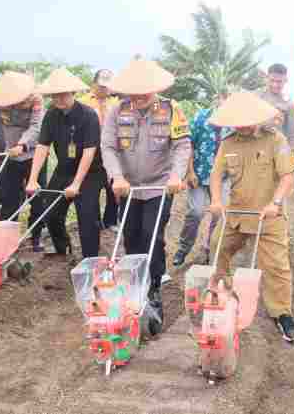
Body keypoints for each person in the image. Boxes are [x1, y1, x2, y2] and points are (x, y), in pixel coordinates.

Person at [101, 58, 191, 333]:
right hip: (128, 186)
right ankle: (133, 288)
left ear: (154, 88)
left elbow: (182, 145)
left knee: (152, 236)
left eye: (145, 91)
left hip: (159, 186)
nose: (139, 96)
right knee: (131, 237)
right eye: (134, 91)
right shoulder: (118, 111)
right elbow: (108, 147)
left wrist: (177, 175)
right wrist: (116, 176)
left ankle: (152, 291)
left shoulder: (170, 109)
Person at [207, 92, 294, 343]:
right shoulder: (228, 143)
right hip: (237, 214)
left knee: (276, 266)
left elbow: (288, 175)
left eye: (245, 120)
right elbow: (216, 175)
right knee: (217, 246)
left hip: (268, 216)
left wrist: (276, 202)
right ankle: (222, 294)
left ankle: (282, 313)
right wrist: (216, 200)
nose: (241, 125)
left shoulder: (275, 139)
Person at [27, 68, 103, 259]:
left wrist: (77, 183)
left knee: (87, 217)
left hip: (89, 172)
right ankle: (63, 249)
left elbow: (89, 151)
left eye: (63, 94)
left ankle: (90, 260)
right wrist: (33, 179)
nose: (59, 99)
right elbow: (42, 146)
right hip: (63, 169)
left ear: (73, 93)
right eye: (55, 95)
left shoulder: (89, 115)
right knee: (51, 213)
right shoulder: (51, 115)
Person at [0, 71, 44, 238]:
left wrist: (23, 144)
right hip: (10, 154)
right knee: (9, 197)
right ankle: (6, 237)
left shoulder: (35, 99)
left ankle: (36, 236)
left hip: (34, 154)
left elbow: (36, 127)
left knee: (37, 196)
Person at [172, 93, 231, 268]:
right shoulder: (202, 117)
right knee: (195, 213)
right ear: (218, 98)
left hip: (223, 179)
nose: (226, 102)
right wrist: (189, 172)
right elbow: (189, 143)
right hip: (199, 175)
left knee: (218, 216)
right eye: (224, 98)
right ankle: (184, 247)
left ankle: (210, 250)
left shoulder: (235, 124)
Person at [79, 69, 120, 231]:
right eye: (101, 86)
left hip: (111, 150)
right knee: (91, 188)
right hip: (91, 151)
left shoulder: (116, 104)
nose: (104, 89)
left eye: (107, 86)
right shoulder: (83, 102)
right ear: (94, 84)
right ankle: (94, 221)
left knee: (112, 185)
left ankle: (110, 220)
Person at [259, 63, 294, 147]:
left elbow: (292, 134)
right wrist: (264, 124)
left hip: (277, 150)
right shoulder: (257, 97)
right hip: (257, 146)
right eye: (272, 80)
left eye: (279, 82)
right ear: (266, 78)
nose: (275, 85)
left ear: (285, 80)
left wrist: (292, 156)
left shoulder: (289, 104)